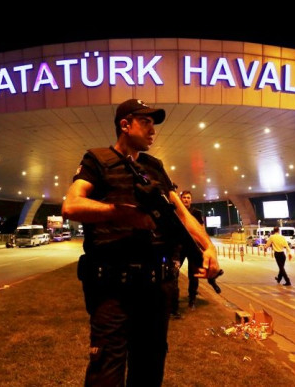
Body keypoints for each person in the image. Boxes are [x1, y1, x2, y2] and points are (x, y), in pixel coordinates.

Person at [62, 98, 220, 387]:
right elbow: (71, 206)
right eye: (146, 122)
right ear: (125, 125)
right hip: (112, 290)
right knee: (106, 373)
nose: (153, 131)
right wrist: (120, 213)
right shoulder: (97, 160)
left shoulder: (154, 167)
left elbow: (182, 215)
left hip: (154, 289)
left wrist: (208, 248)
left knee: (149, 371)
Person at [170, 190, 204, 313]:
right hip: (179, 248)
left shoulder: (196, 213)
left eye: (188, 197)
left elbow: (201, 230)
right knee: (174, 274)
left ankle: (192, 300)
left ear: (191, 199)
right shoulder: (175, 212)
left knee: (193, 275)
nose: (186, 200)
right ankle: (174, 303)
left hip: (193, 248)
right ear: (181, 199)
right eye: (184, 197)